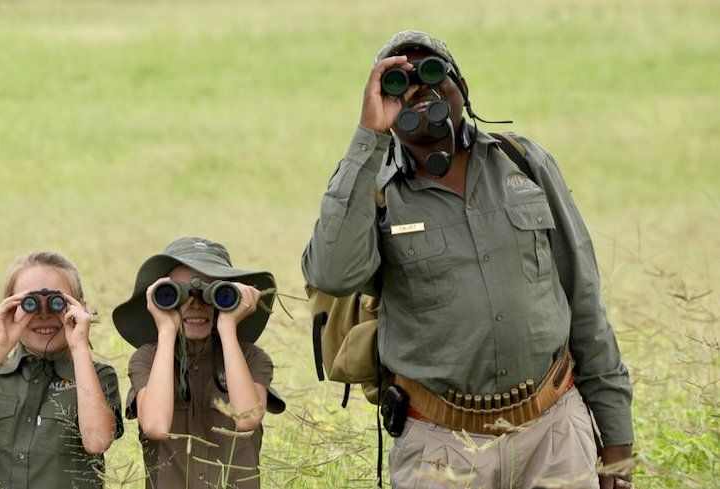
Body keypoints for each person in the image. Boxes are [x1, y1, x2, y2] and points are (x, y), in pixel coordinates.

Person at [301, 30, 634, 488]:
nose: (420, 89)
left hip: (554, 432)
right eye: (399, 82)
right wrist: (368, 137)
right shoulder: (372, 189)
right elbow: (332, 273)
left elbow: (584, 296)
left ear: (462, 85)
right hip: (439, 447)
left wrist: (615, 435)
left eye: (434, 73)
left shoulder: (523, 162)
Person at [0, 251, 123, 488]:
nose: (43, 313)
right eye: (30, 303)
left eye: (58, 302)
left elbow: (97, 441)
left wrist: (80, 347)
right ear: (10, 307)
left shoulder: (97, 377)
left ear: (80, 308)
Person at [114, 237, 286, 489]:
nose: (195, 304)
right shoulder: (148, 359)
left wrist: (228, 327)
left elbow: (246, 419)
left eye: (210, 293)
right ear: (163, 298)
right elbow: (155, 426)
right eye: (179, 293)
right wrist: (166, 329)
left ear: (228, 298)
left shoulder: (251, 359)